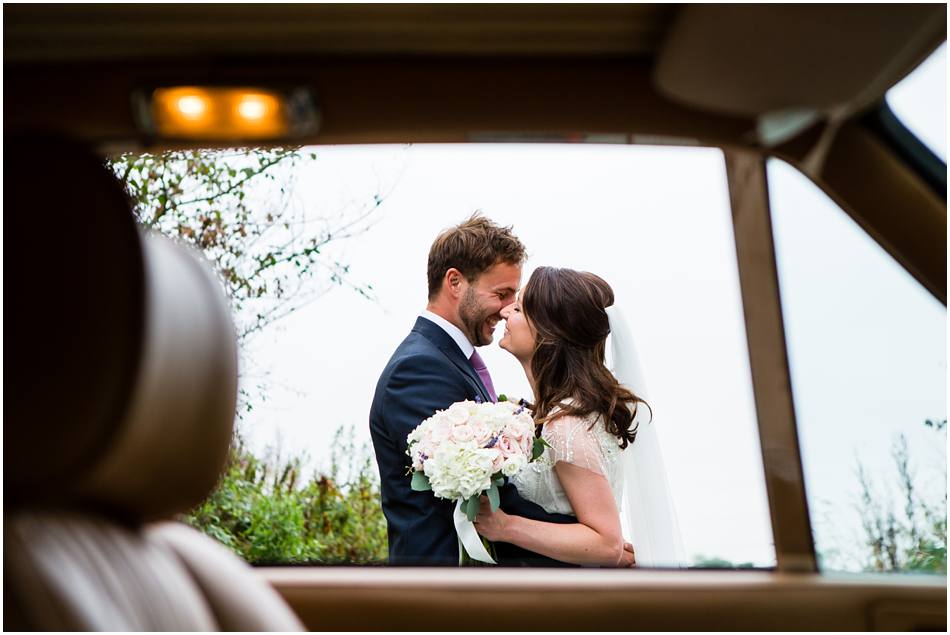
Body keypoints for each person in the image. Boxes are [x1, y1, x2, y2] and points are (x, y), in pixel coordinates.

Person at [369, 215, 635, 566]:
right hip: (441, 588)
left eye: (517, 300)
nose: (507, 308)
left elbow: (498, 498)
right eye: (501, 294)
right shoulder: (419, 370)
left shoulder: (455, 364)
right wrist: (599, 547)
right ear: (454, 282)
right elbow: (487, 498)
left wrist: (600, 543)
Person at [474, 266, 685, 567]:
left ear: (549, 332)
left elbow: (606, 543)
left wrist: (505, 527)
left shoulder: (566, 426)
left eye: (519, 307)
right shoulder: (558, 414)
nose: (506, 311)